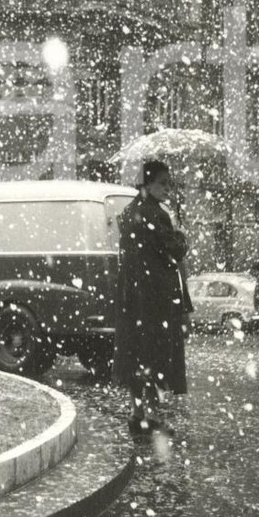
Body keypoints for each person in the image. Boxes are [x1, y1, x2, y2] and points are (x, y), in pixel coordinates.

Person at [113, 160, 192, 436]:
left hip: (132, 297)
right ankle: (153, 415)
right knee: (157, 355)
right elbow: (175, 250)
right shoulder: (157, 215)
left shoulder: (127, 212)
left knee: (136, 355)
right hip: (156, 298)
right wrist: (180, 231)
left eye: (168, 184)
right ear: (148, 183)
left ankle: (137, 411)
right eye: (162, 183)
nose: (167, 189)